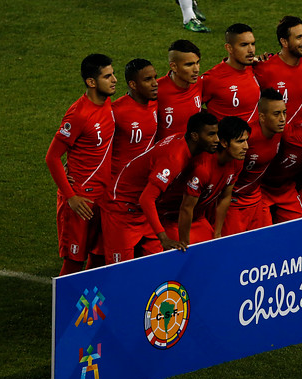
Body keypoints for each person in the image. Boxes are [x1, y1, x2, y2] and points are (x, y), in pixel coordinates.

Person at [103, 112, 219, 263]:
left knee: (157, 264)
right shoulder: (175, 158)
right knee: (120, 270)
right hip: (120, 207)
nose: (216, 139)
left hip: (142, 211)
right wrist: (163, 237)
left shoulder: (182, 141)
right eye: (211, 135)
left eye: (216, 134)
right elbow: (146, 199)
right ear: (195, 136)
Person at [45, 54, 117, 276]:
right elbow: (52, 157)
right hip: (81, 200)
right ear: (91, 82)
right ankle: (65, 309)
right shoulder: (79, 114)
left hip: (103, 198)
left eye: (113, 74)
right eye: (107, 76)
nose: (114, 79)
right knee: (75, 261)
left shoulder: (108, 103)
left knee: (98, 256)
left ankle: (88, 308)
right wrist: (70, 196)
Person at [157, 116, 250, 245]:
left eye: (246, 140)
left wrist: (217, 233)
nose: (246, 147)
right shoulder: (202, 169)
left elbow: (225, 197)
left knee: (213, 251)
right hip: (172, 219)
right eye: (240, 141)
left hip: (198, 218)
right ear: (223, 143)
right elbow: (186, 208)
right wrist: (185, 243)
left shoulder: (237, 161)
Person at [222, 89, 286, 236]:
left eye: (284, 112)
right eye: (276, 114)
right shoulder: (247, 138)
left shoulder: (280, 132)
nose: (282, 118)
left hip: (256, 197)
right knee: (234, 248)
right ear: (262, 117)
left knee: (264, 243)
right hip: (234, 201)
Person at [253, 16, 302, 124]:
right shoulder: (264, 68)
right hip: (272, 137)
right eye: (299, 37)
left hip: (296, 137)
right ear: (284, 42)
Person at [202, 23, 261, 123]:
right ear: (229, 48)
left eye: (253, 44)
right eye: (244, 45)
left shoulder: (255, 68)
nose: (251, 50)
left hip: (255, 137)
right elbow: (191, 107)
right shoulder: (212, 78)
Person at [111, 58, 158, 168]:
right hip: (118, 179)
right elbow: (90, 139)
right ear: (133, 84)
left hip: (143, 177)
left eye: (155, 78)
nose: (155, 83)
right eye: (148, 80)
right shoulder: (116, 111)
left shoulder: (155, 103)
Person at [156, 40, 203, 141]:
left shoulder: (200, 83)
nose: (196, 69)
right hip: (167, 153)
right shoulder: (156, 91)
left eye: (197, 62)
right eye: (189, 65)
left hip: (193, 151)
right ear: (174, 66)